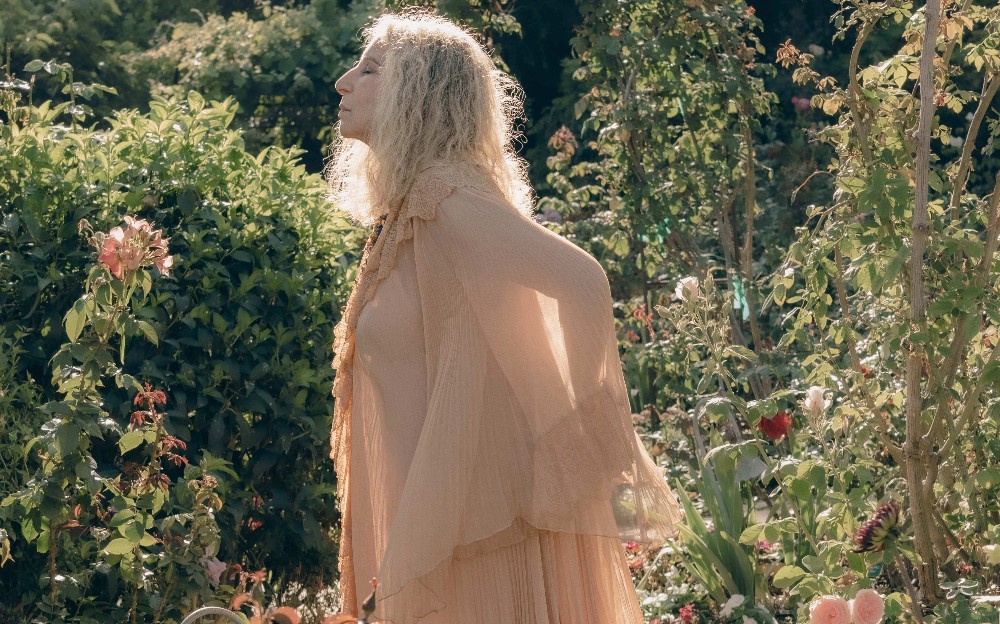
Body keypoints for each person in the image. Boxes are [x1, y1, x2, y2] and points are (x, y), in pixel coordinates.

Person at [325, 10, 682, 624]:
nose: (344, 81)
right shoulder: (413, 211)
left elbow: (581, 282)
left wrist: (568, 444)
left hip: (476, 537)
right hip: (449, 529)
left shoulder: (446, 196)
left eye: (371, 69)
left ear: (418, 95)